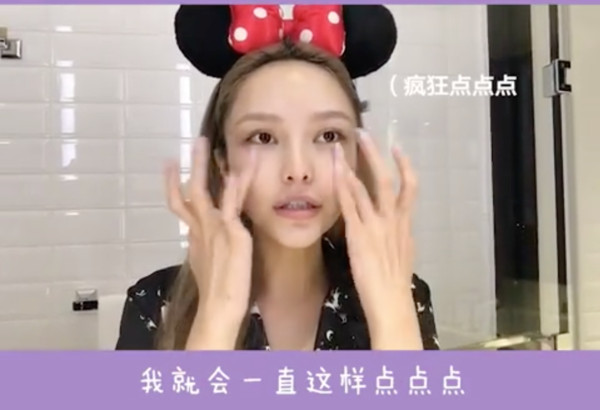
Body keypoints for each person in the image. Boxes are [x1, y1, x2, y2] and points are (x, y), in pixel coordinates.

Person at [116, 4, 439, 351]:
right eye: (263, 137)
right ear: (223, 162)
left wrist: (393, 317)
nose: (298, 170)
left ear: (356, 155)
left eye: (328, 135)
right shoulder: (155, 305)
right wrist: (216, 317)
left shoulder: (402, 292)